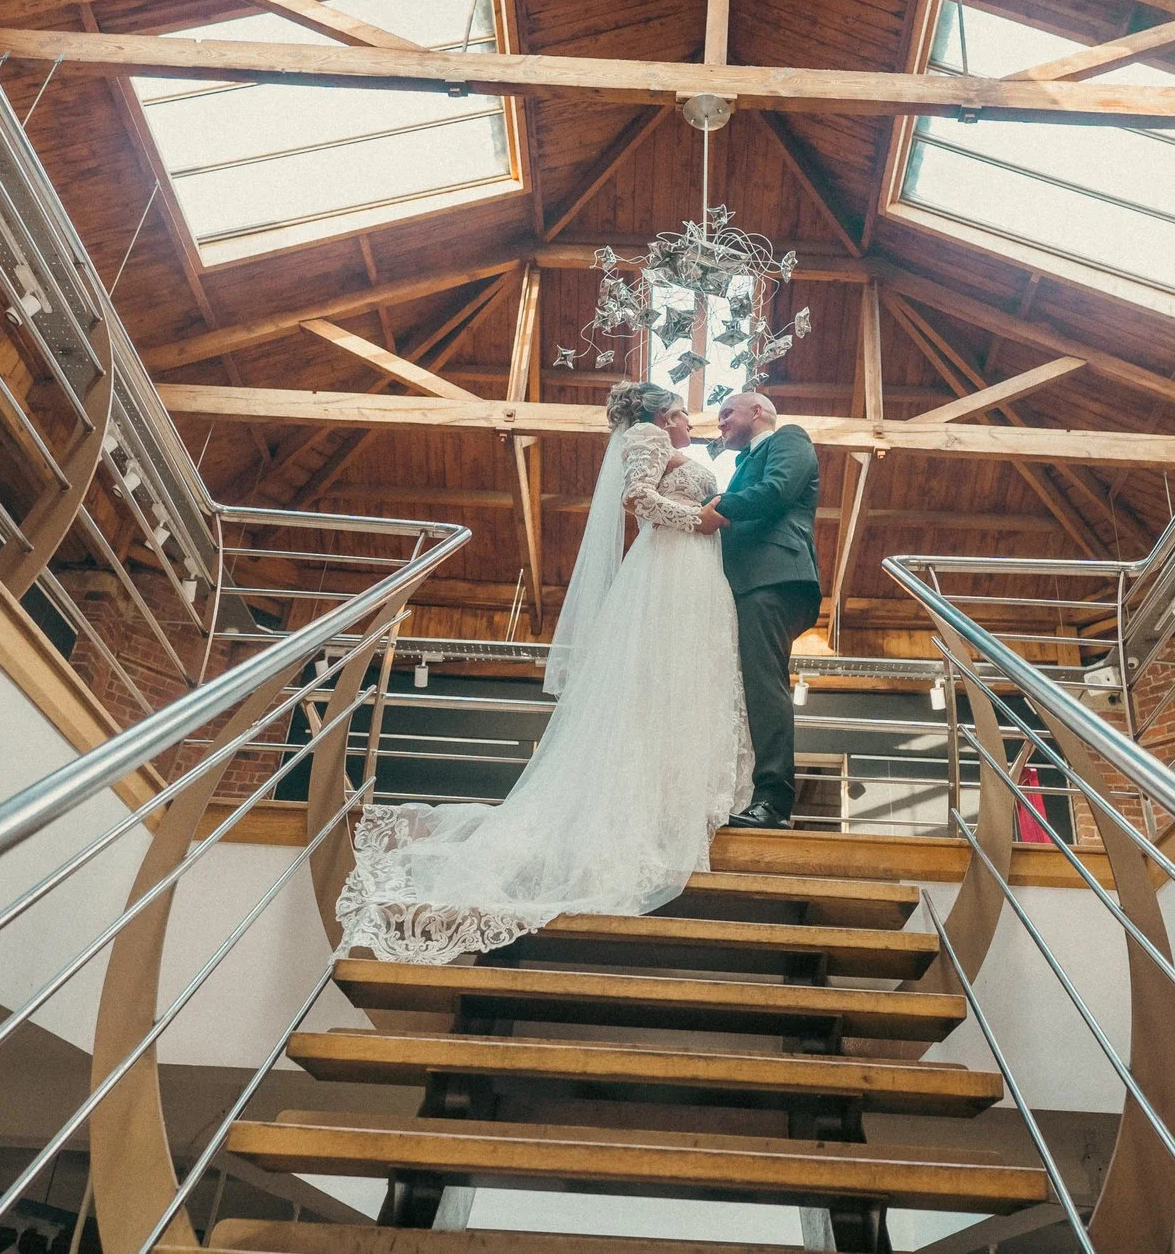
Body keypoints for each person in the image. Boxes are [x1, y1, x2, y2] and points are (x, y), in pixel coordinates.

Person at [333, 381, 751, 964]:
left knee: (678, 685)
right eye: (683, 413)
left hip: (691, 570)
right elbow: (639, 501)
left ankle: (668, 799)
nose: (689, 424)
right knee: (654, 683)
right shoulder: (648, 435)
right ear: (662, 413)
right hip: (669, 565)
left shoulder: (668, 440)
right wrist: (702, 520)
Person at [695, 391, 822, 830]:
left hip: (775, 578)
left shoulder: (790, 438)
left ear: (759, 411)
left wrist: (715, 507)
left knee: (765, 687)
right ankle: (745, 793)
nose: (721, 423)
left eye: (727, 412)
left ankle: (773, 801)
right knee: (748, 688)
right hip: (744, 584)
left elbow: (776, 491)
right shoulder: (741, 463)